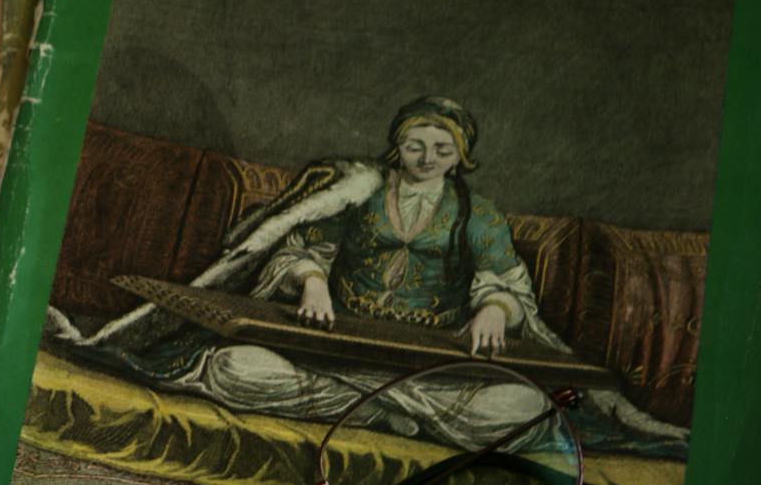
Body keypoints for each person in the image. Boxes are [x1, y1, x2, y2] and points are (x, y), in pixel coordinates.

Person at [52, 95, 684, 453]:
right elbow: (305, 243)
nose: (428, 159)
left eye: (442, 150)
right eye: (417, 146)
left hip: (428, 368)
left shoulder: (476, 214)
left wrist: (495, 309)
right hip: (332, 350)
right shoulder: (360, 193)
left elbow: (505, 277)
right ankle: (381, 415)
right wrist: (313, 282)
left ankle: (382, 410)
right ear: (396, 146)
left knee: (522, 410)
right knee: (235, 368)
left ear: (460, 156)